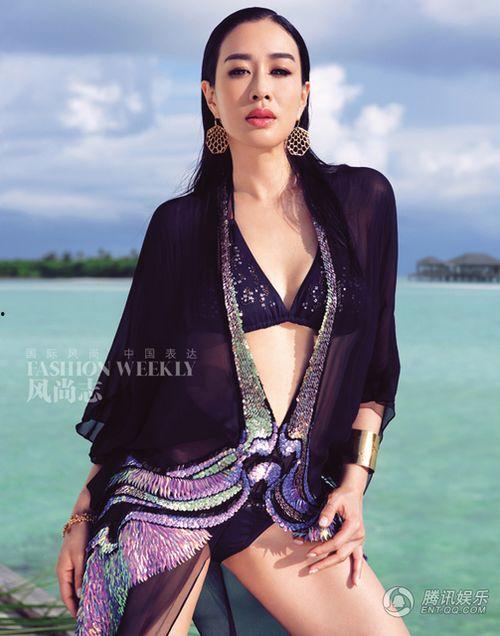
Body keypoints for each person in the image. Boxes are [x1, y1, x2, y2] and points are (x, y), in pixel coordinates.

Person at [56, 7, 407, 635]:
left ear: (305, 94)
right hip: (166, 494)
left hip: (286, 502)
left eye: (280, 71)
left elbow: (378, 371)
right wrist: (82, 515)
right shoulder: (180, 225)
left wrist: (354, 485)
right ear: (211, 97)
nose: (260, 89)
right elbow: (135, 382)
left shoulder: (364, 202)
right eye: (238, 72)